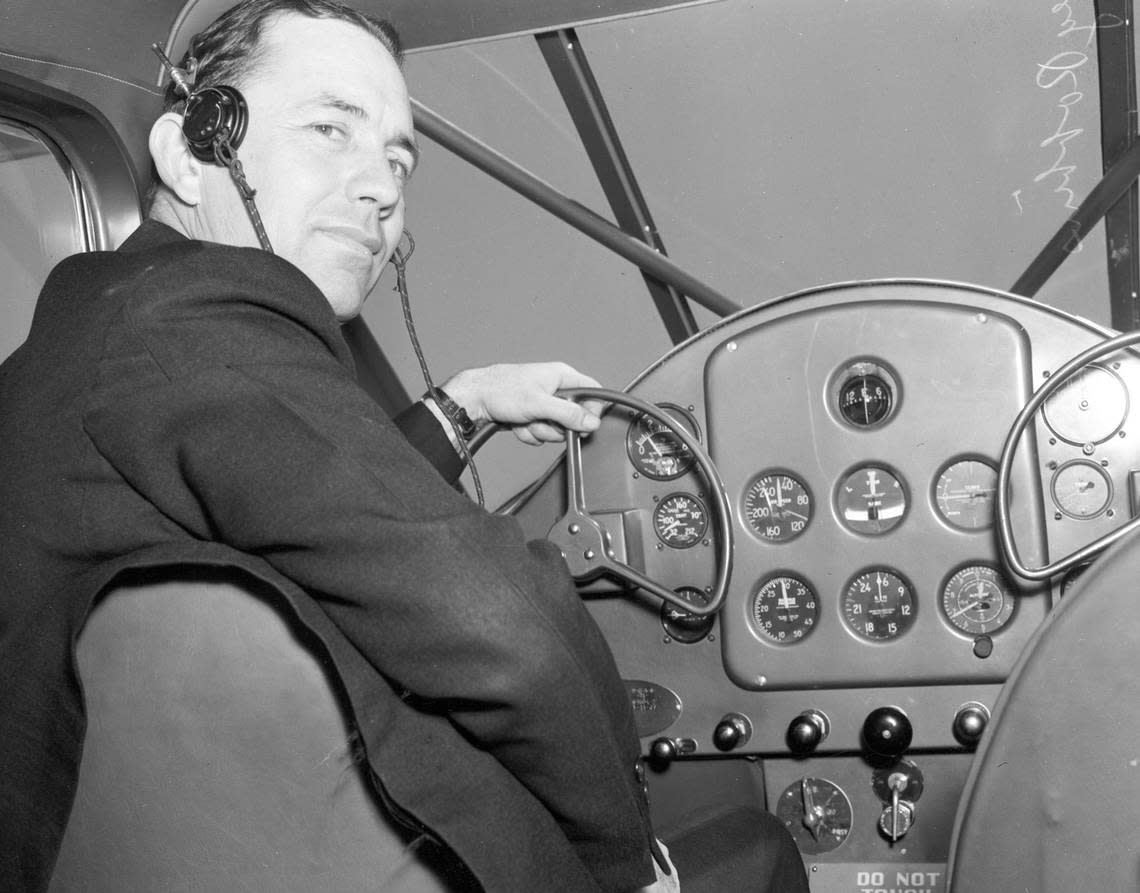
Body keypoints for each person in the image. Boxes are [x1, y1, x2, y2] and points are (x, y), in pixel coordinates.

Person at [0, 1, 809, 891]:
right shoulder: (200, 321)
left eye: (397, 158)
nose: (383, 186)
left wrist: (463, 404)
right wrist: (626, 865)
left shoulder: (103, 330)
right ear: (192, 149)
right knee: (762, 845)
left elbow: (306, 506)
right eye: (329, 128)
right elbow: (507, 627)